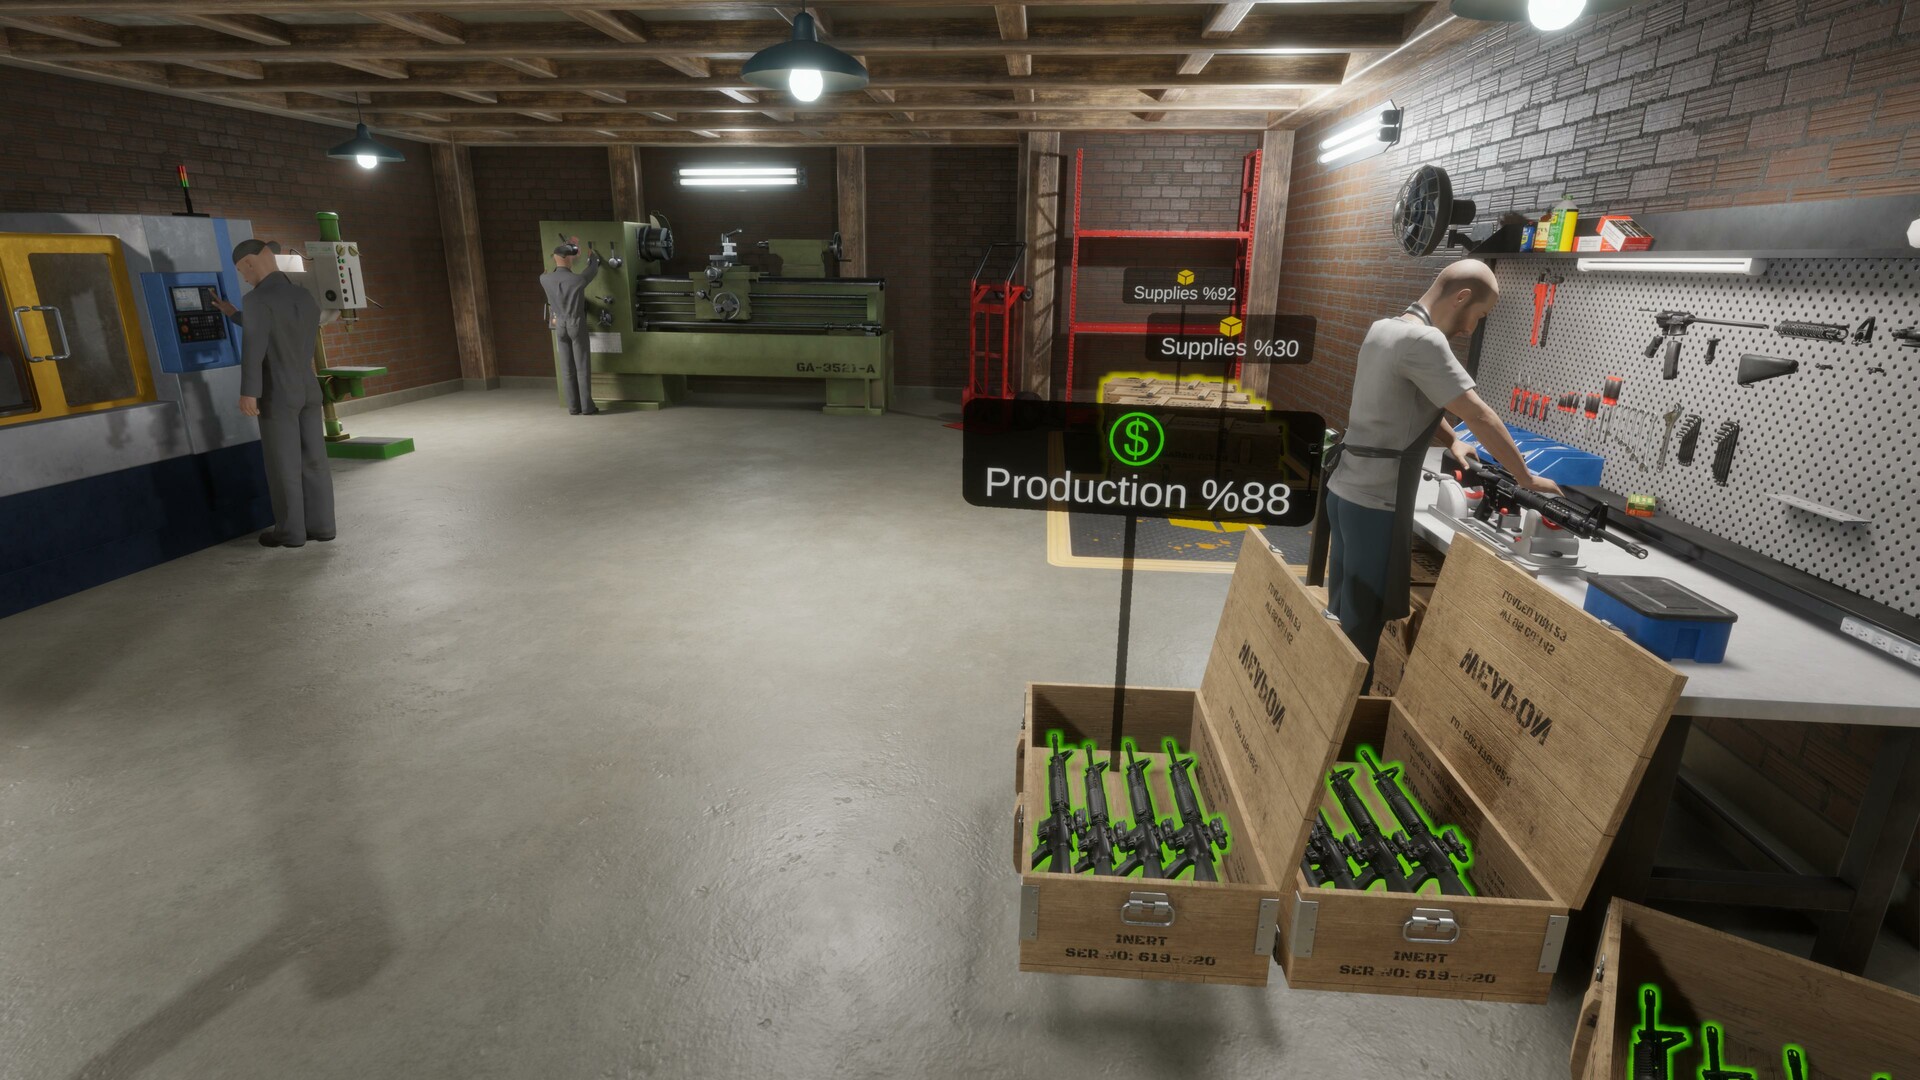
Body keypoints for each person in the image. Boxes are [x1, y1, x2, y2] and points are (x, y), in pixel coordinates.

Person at [1323, 259, 1560, 671]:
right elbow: (1479, 415)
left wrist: (1452, 441)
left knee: (1341, 617)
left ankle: (1324, 700)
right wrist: (1526, 478)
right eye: (1478, 315)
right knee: (1361, 632)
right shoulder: (1426, 341)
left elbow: (1408, 401)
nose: (1471, 328)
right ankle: (1346, 711)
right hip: (1377, 503)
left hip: (1344, 494)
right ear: (1461, 297)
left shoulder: (1383, 329)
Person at [215, 238, 335, 548]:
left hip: (277, 391)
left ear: (249, 263)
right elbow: (280, 325)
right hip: (308, 386)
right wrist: (233, 313)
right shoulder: (303, 296)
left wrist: (248, 392)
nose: (244, 277)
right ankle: (322, 525)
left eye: (242, 271)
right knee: (314, 460)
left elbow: (254, 348)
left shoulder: (257, 299)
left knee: (284, 464)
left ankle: (290, 532)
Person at [539, 235, 601, 416]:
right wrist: (593, 256)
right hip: (576, 323)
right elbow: (593, 269)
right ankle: (587, 407)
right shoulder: (577, 280)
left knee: (566, 369)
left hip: (559, 325)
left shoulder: (544, 279)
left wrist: (566, 248)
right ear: (568, 259)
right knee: (582, 368)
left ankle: (573, 407)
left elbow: (551, 271)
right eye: (572, 257)